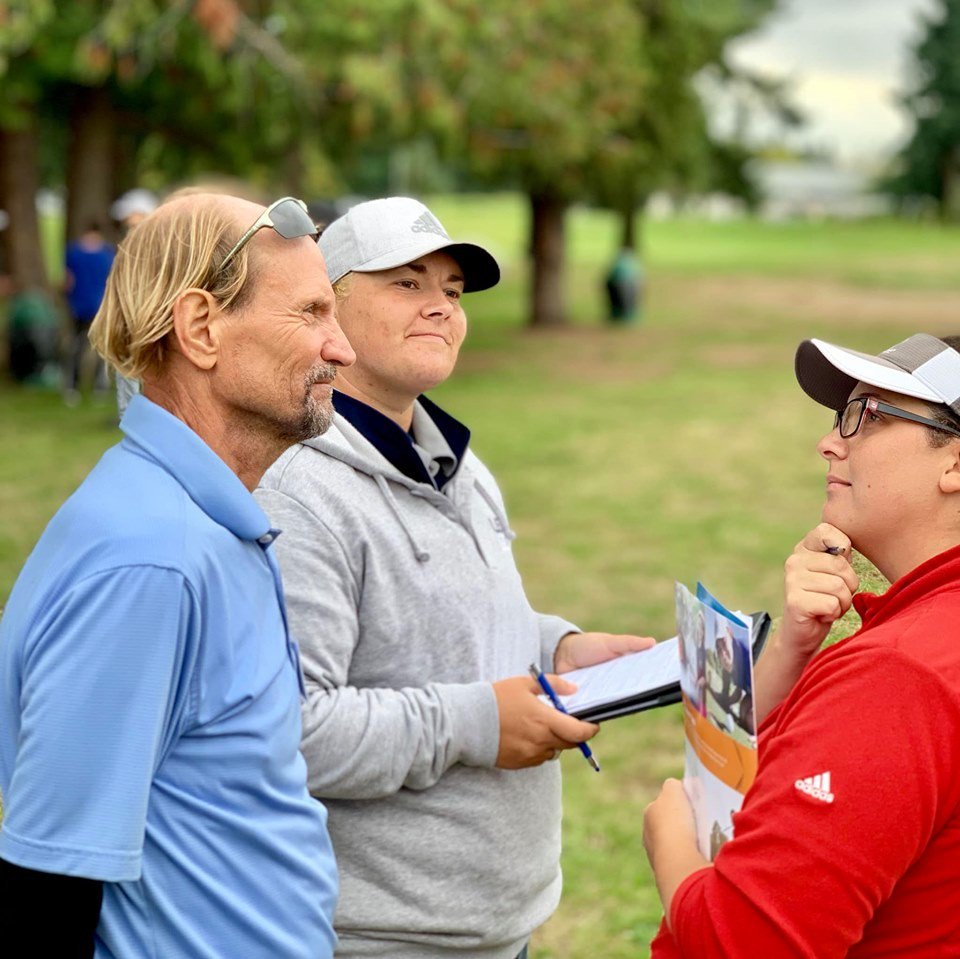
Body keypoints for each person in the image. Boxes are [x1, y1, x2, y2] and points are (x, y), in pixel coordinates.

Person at [255, 196, 654, 959]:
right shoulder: (296, 494)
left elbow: (449, 627)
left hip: (499, 924)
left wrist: (557, 648)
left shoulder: (459, 464)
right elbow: (292, 732)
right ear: (327, 309)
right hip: (379, 937)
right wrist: (478, 720)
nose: (440, 306)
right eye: (407, 284)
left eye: (453, 290)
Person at [0, 192, 356, 958]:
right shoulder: (151, 558)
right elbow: (50, 880)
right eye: (312, 313)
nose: (343, 348)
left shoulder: (198, 524)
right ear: (201, 329)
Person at [644, 332, 960, 957]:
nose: (828, 441)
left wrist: (670, 841)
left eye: (866, 416)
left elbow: (743, 945)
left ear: (954, 464)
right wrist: (793, 647)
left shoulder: (901, 675)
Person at [110, 188, 159, 416]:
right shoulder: (131, 241)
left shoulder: (152, 243)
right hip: (131, 314)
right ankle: (131, 416)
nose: (127, 221)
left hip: (144, 314)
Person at [63, 220, 115, 404]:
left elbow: (67, 280)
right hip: (100, 306)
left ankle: (72, 387)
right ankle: (99, 386)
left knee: (77, 346)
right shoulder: (107, 255)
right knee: (101, 347)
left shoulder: (73, 253)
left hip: (78, 306)